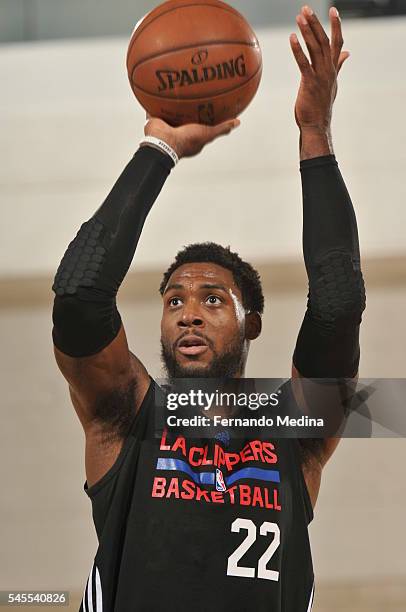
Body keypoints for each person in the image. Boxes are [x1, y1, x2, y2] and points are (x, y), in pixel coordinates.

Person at [52, 6, 365, 611]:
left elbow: (338, 302)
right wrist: (158, 146)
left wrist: (316, 134)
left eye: (213, 299)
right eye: (175, 300)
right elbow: (79, 298)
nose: (188, 313)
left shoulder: (292, 434)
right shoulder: (126, 417)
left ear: (251, 324)